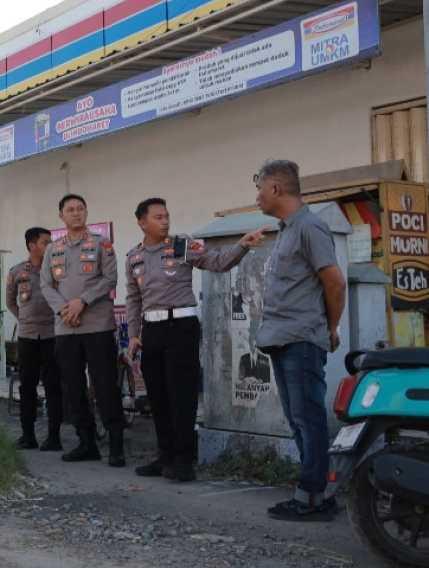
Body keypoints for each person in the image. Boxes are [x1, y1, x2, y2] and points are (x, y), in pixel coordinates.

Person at [125, 198, 268, 482]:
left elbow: (217, 262)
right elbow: (132, 298)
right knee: (158, 395)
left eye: (167, 215)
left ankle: (182, 461)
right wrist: (132, 334)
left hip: (181, 327)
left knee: (182, 394)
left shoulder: (182, 244)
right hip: (151, 331)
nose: (165, 221)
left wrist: (241, 245)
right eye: (158, 217)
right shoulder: (133, 256)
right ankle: (165, 455)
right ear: (143, 223)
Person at [254, 159, 346, 521]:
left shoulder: (310, 227)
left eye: (260, 187)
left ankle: (312, 497)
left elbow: (335, 283)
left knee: (309, 419)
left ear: (276, 188)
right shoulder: (286, 229)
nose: (257, 195)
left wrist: (331, 328)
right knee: (298, 419)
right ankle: (314, 490)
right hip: (282, 338)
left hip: (302, 339)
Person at [41, 193, 125, 465]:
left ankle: (115, 445)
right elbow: (45, 286)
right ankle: (86, 442)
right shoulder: (53, 249)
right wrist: (65, 309)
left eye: (80, 209)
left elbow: (109, 278)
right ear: (61, 216)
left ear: (86, 213)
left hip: (97, 326)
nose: (76, 213)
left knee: (105, 385)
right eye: (70, 210)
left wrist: (82, 302)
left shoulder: (103, 244)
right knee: (73, 387)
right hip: (66, 328)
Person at [6, 227, 64, 450]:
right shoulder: (17, 272)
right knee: (27, 386)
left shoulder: (57, 271)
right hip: (28, 336)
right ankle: (28, 435)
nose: (50, 245)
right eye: (45, 242)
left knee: (53, 385)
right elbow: (10, 301)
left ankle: (54, 437)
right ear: (32, 246)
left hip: (52, 333)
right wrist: (24, 319)